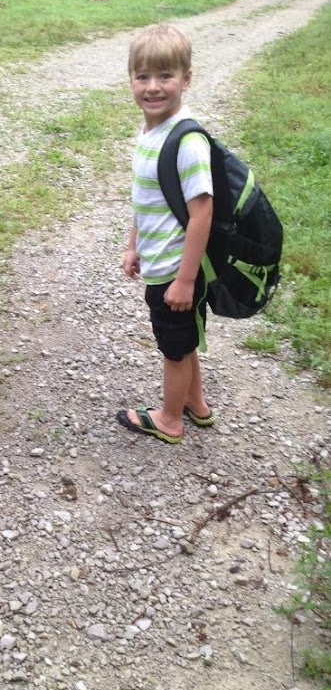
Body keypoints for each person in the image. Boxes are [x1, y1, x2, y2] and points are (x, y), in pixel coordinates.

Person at [117, 23, 216, 445]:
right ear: (131, 80)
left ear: (186, 79)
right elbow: (146, 197)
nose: (153, 87)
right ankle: (197, 405)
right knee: (184, 338)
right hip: (160, 262)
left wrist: (185, 279)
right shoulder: (149, 133)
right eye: (143, 77)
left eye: (165, 76)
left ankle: (170, 420)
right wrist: (133, 244)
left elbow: (202, 213)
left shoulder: (187, 142)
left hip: (177, 270)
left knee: (173, 347)